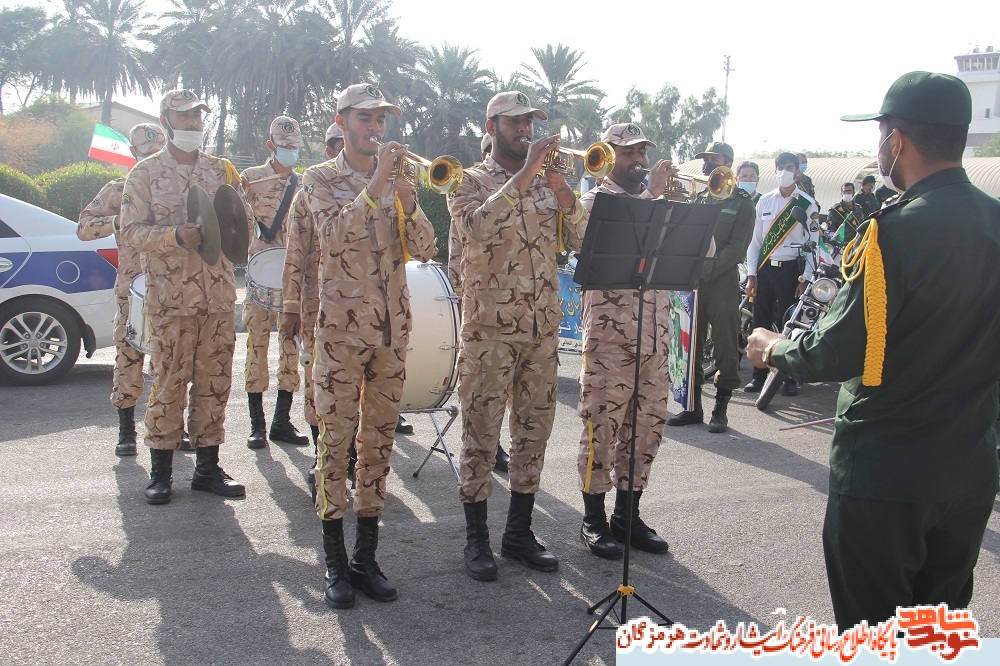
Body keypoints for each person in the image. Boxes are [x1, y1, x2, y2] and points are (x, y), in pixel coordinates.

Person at [747, 71, 1000, 630]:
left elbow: (836, 353)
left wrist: (774, 347)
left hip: (887, 473)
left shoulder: (894, 231)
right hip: (968, 471)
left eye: (880, 132)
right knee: (936, 637)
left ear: (897, 141)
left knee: (873, 638)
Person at [304, 83, 436, 609]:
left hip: (391, 333)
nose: (375, 127)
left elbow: (425, 250)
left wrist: (409, 202)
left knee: (378, 445)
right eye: (365, 117)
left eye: (381, 119)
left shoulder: (399, 182)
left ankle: (366, 558)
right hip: (340, 334)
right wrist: (375, 183)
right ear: (341, 121)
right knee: (335, 445)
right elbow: (333, 239)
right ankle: (335, 561)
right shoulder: (319, 178)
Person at [447, 91, 584, 582]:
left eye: (529, 122)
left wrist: (564, 194)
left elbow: (583, 239)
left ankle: (519, 534)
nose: (525, 129)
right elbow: (474, 229)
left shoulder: (549, 182)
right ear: (491, 127)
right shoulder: (468, 181)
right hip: (489, 331)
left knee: (534, 432)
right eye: (514, 122)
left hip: (541, 328)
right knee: (480, 433)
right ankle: (476, 538)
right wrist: (525, 174)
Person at [120, 89, 249, 504]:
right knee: (169, 382)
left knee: (215, 382)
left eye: (198, 115)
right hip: (171, 300)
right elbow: (130, 232)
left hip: (217, 297)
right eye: (185, 115)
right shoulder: (144, 173)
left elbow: (238, 223)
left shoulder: (219, 170)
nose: (194, 122)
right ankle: (161, 472)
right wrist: (174, 236)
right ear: (166, 121)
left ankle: (207, 469)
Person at [576, 123, 676, 560]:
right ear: (609, 154)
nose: (639, 160)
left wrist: (675, 206)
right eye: (629, 152)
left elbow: (706, 250)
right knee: (601, 427)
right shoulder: (594, 201)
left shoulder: (661, 203)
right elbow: (590, 237)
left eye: (642, 152)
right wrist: (654, 197)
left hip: (655, 338)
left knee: (646, 429)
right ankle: (593, 519)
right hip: (610, 341)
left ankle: (627, 516)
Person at [77, 123, 178, 457]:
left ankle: (168, 426)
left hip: (170, 288)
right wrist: (115, 222)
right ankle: (126, 431)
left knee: (169, 360)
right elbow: (84, 228)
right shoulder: (117, 190)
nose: (152, 159)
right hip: (131, 290)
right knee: (128, 358)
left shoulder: (177, 191)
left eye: (157, 153)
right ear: (133, 153)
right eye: (145, 154)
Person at [667, 141, 755, 433]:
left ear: (727, 164)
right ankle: (692, 407)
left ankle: (721, 408)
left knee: (725, 346)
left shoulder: (742, 203)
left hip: (722, 282)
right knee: (689, 343)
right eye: (705, 160)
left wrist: (704, 270)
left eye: (713, 160)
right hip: (693, 282)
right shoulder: (701, 197)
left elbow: (736, 249)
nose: (706, 165)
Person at [281, 122, 345, 500]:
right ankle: (320, 457)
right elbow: (295, 250)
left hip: (359, 305)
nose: (343, 148)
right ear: (328, 149)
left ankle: (349, 457)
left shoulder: (374, 182)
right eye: (336, 144)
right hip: (315, 303)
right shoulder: (310, 188)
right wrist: (290, 306)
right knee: (317, 383)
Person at [444, 131, 512, 474]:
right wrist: (457, 289)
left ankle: (497, 444)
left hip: (515, 304)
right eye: (485, 151)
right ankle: (490, 446)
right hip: (482, 303)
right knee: (483, 389)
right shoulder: (470, 187)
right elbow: (458, 245)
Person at [241, 116, 308, 450]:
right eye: (284, 146)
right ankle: (257, 424)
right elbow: (234, 221)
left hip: (292, 277)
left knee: (290, 347)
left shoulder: (305, 183)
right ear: (271, 145)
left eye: (294, 146)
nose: (290, 151)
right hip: (260, 273)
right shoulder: (251, 179)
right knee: (256, 345)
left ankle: (282, 421)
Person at [743, 152, 818, 395]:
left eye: (790, 167)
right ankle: (758, 376)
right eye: (781, 167)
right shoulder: (764, 201)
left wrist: (806, 279)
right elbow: (755, 242)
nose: (785, 171)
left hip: (792, 272)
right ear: (775, 170)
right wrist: (752, 275)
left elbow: (813, 244)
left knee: (789, 325)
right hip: (765, 269)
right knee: (761, 323)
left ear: (797, 171)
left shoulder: (807, 203)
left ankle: (788, 378)